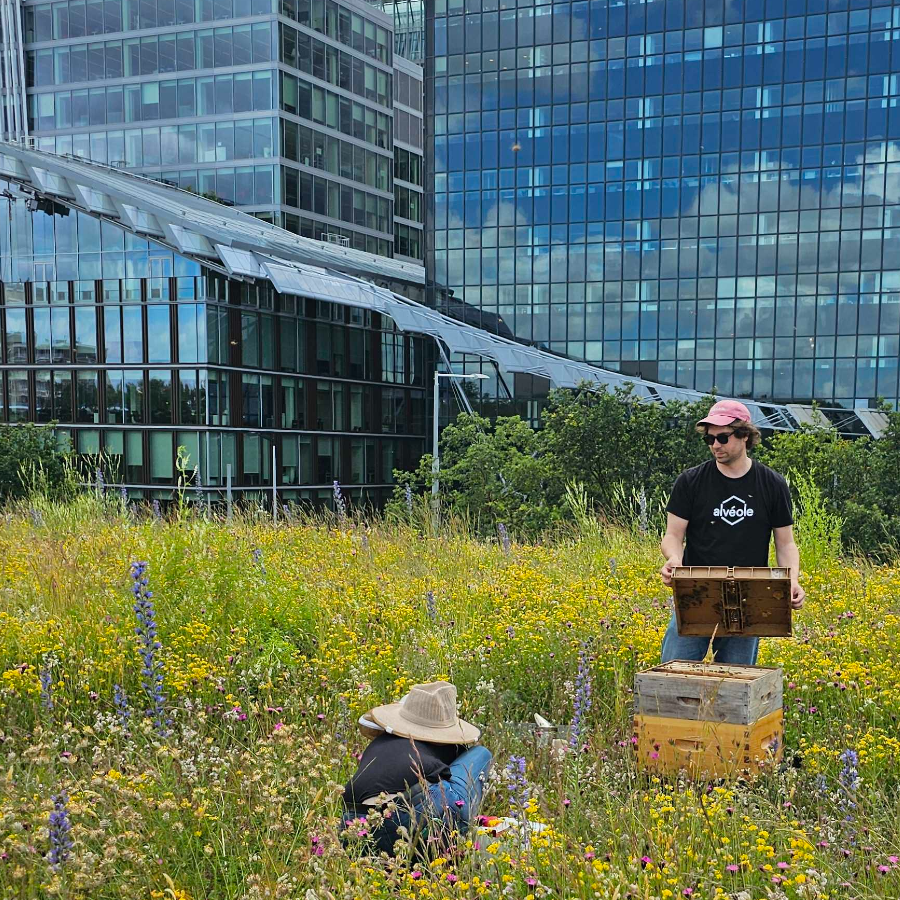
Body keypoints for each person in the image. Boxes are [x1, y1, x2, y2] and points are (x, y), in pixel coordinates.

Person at [658, 399, 805, 665]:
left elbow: (785, 544)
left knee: (736, 684)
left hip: (748, 596)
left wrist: (791, 580)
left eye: (723, 438)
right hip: (696, 592)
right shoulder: (690, 481)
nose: (715, 446)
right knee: (674, 674)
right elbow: (673, 535)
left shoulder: (772, 484)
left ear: (745, 435)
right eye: (710, 439)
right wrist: (674, 560)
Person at [342, 681, 492, 856]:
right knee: (481, 754)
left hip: (353, 825)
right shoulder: (444, 747)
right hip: (407, 820)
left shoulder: (379, 744)